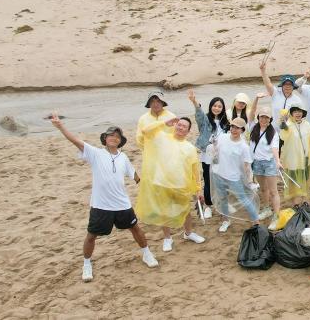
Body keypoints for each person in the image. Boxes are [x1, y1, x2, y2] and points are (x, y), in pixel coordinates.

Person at [50, 113, 158, 282]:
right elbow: (75, 141)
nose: (114, 138)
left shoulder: (123, 157)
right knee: (91, 235)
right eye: (110, 135)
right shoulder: (95, 153)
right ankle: (87, 264)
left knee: (135, 228)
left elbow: (134, 175)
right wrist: (61, 126)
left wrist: (146, 187)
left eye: (117, 136)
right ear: (105, 138)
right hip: (101, 205)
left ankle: (146, 253)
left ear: (120, 141)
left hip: (122, 204)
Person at [134, 115, 206, 252]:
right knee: (164, 212)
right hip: (162, 182)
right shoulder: (163, 138)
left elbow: (195, 171)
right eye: (179, 124)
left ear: (188, 131)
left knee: (185, 211)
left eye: (184, 126)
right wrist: (164, 122)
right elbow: (145, 131)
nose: (181, 127)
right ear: (174, 125)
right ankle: (168, 238)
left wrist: (198, 189)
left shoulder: (190, 148)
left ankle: (188, 233)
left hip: (181, 185)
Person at [209, 117, 261, 232]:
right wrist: (213, 145)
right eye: (232, 126)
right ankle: (226, 220)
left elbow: (247, 166)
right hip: (218, 174)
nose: (234, 129)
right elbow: (215, 150)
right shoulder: (222, 137)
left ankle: (256, 222)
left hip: (233, 177)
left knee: (244, 199)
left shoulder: (243, 146)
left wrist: (250, 181)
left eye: (238, 128)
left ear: (242, 130)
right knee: (222, 198)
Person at [187, 89, 228, 220]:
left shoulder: (226, 123)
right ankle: (208, 206)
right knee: (208, 180)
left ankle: (222, 205)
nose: (217, 108)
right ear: (211, 107)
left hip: (221, 157)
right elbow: (198, 115)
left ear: (223, 108)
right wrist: (195, 102)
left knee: (220, 181)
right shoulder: (205, 120)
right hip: (207, 156)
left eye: (219, 106)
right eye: (215, 105)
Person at [278, 96, 310, 206]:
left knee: (305, 181)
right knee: (294, 182)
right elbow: (283, 136)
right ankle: (295, 203)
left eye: (299, 111)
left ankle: (304, 201)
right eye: (295, 111)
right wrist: (283, 125)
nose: (297, 113)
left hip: (306, 159)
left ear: (303, 113)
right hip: (293, 160)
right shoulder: (288, 125)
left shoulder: (307, 125)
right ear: (291, 113)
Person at [248, 105, 282, 225]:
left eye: (267, 117)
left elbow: (274, 149)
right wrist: (256, 99)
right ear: (258, 117)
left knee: (273, 191)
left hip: (269, 163)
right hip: (256, 163)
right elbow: (251, 113)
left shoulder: (273, 133)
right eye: (262, 117)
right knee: (263, 189)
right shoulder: (252, 128)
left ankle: (276, 214)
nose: (264, 120)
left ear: (270, 119)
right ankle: (266, 208)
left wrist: (277, 161)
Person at [260, 61, 298, 129]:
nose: (287, 86)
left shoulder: (297, 100)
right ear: (282, 85)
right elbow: (267, 83)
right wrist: (263, 71)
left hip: (290, 131)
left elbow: (300, 117)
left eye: (290, 84)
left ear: (293, 86)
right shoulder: (275, 93)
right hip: (274, 131)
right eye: (285, 84)